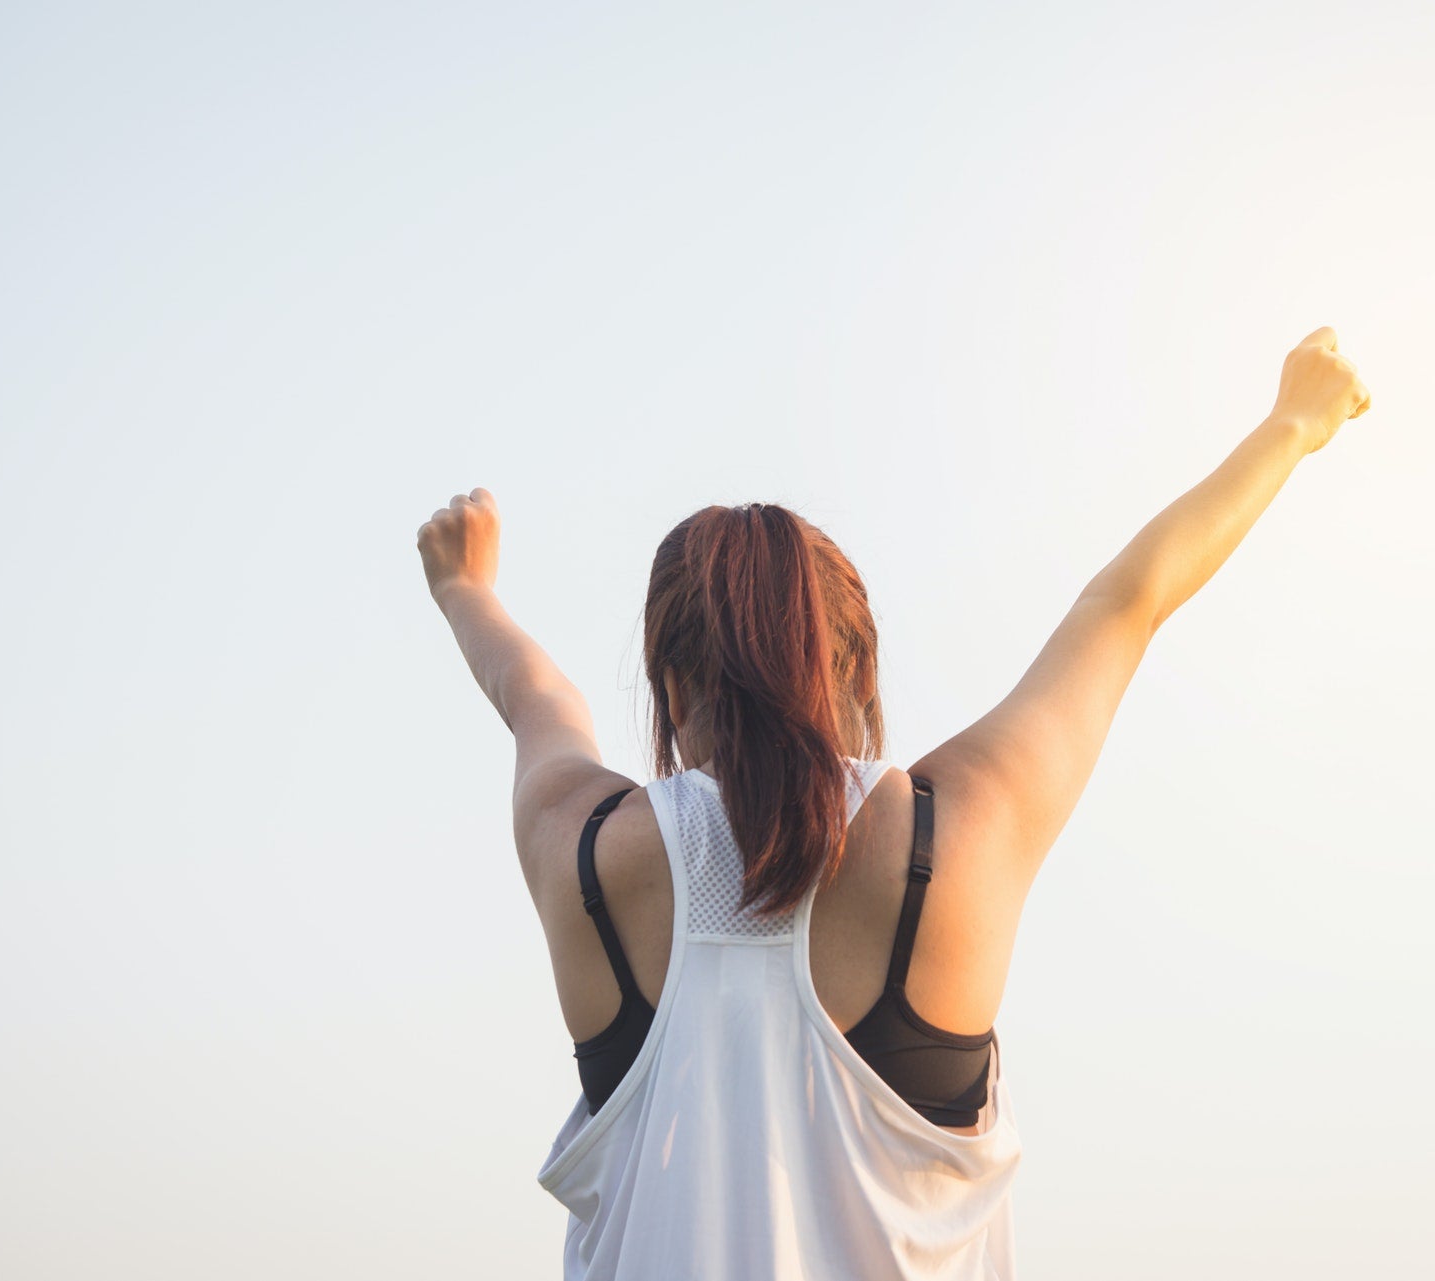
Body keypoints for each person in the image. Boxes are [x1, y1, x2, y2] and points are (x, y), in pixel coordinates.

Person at [416, 326, 1373, 1279]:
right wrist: (1292, 422)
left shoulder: (583, 854)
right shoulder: (955, 836)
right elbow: (1125, 603)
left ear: (668, 688)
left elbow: (537, 699)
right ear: (859, 670)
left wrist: (465, 586)